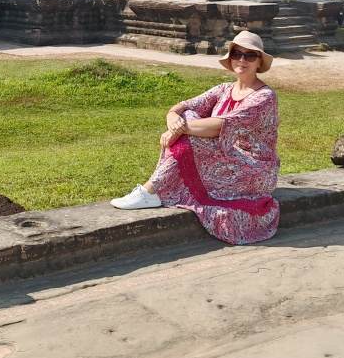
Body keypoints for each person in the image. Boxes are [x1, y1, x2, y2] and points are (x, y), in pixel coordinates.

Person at [110, 30, 280, 244]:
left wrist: (178, 130)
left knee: (187, 135)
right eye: (237, 54)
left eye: (250, 55)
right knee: (188, 116)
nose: (242, 60)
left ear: (258, 62)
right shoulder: (224, 89)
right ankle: (151, 191)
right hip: (227, 155)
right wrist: (172, 118)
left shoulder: (265, 97)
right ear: (230, 58)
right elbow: (183, 106)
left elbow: (221, 126)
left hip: (254, 167)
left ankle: (150, 191)